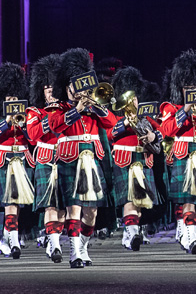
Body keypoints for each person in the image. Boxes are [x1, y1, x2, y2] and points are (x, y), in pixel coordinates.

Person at [47, 48, 118, 268]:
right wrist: (77, 109)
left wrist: (95, 107)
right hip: (70, 159)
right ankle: (74, 252)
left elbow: (113, 124)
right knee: (73, 207)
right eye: (74, 87)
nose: (78, 92)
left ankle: (83, 246)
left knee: (91, 213)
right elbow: (55, 125)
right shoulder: (59, 107)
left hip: (92, 159)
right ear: (66, 88)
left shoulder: (93, 108)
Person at [160, 49, 196, 255]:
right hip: (183, 155)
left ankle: (187, 231)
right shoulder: (170, 107)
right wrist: (186, 109)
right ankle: (191, 236)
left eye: (194, 87)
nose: (191, 90)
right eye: (187, 88)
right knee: (188, 198)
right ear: (180, 88)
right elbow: (166, 130)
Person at [0, 62, 36, 260]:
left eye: (15, 97)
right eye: (9, 97)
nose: (13, 100)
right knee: (9, 202)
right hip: (2, 158)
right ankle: (13, 241)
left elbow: (32, 139)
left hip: (21, 157)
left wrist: (23, 125)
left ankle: (5, 239)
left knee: (17, 203)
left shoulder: (27, 113)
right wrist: (6, 120)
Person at [109, 66, 161, 252]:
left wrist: (153, 137)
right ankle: (131, 234)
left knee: (138, 201)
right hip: (124, 158)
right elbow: (109, 134)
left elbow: (160, 132)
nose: (133, 102)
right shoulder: (114, 116)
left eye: (135, 98)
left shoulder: (145, 117)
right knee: (129, 200)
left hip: (142, 157)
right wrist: (124, 122)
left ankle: (130, 232)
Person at [26, 54, 65, 262]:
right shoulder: (35, 111)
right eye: (46, 87)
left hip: (66, 156)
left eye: (52, 86)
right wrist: (51, 115)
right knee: (50, 205)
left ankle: (53, 239)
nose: (49, 90)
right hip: (46, 157)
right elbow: (32, 135)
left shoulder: (66, 109)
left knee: (64, 207)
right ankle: (56, 244)